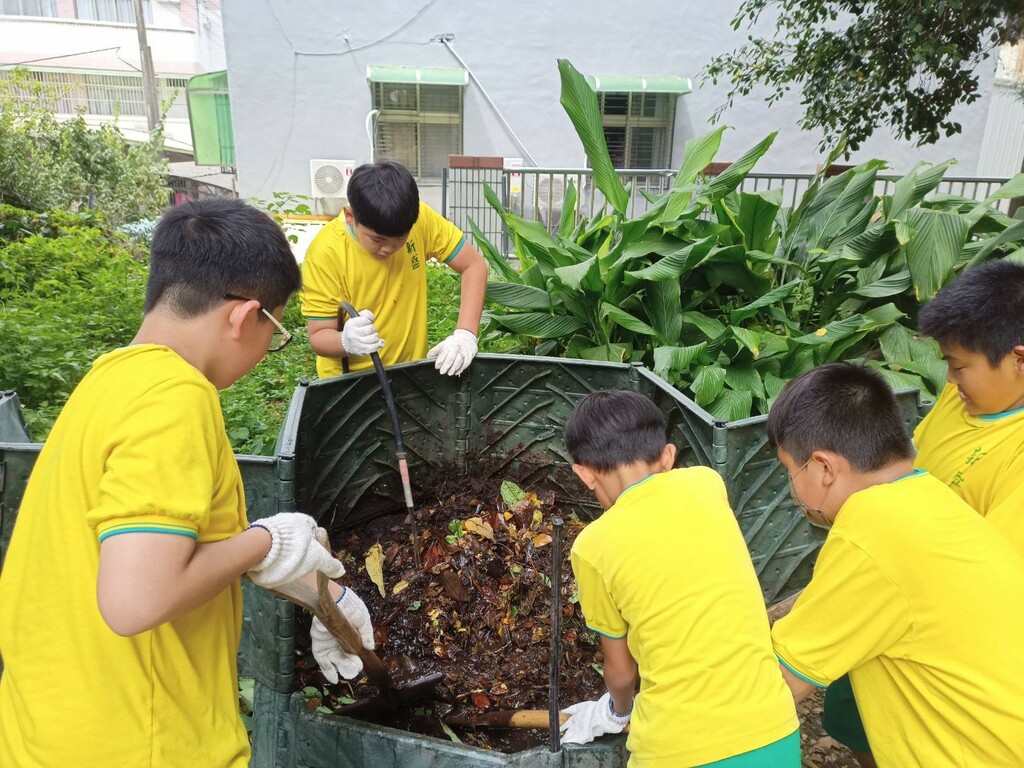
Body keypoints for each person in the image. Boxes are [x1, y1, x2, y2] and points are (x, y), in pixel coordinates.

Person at [0, 198, 374, 767]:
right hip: (141, 744)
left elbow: (154, 551)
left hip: (49, 732)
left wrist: (310, 587)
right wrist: (268, 540)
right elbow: (134, 600)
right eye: (275, 333)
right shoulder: (175, 400)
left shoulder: (107, 382)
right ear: (244, 317)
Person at [767, 362, 1024, 768]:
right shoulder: (930, 497)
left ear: (824, 467)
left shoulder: (871, 533)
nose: (794, 490)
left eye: (790, 471)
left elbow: (776, 684)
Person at [821, 260, 1024, 766]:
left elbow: (983, 583)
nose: (950, 380)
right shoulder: (965, 403)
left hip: (937, 633)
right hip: (884, 582)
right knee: (860, 719)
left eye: (959, 366)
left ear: (1019, 359)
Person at [559, 390, 799, 767]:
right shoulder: (707, 484)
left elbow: (622, 674)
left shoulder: (591, 547)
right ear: (668, 456)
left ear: (584, 473)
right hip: (775, 729)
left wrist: (615, 711)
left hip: (676, 749)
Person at [300, 160, 488, 378]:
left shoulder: (419, 220)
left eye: (400, 238)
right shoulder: (325, 253)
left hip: (410, 374)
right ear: (350, 217)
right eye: (377, 239)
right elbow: (318, 336)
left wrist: (465, 335)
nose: (388, 248)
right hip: (350, 385)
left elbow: (473, 265)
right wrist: (345, 341)